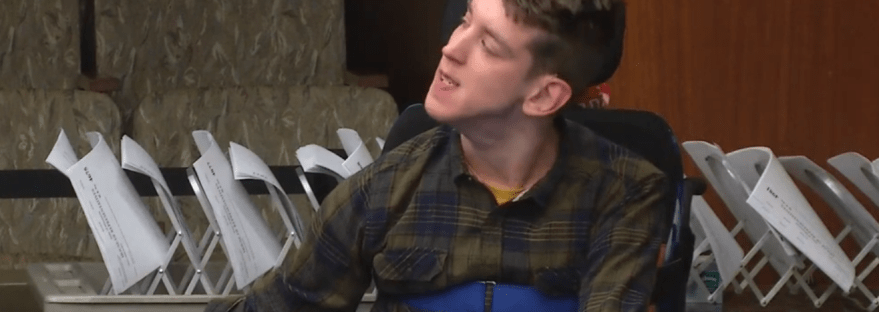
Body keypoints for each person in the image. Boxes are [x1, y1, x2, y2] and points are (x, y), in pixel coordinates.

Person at [206, 0, 669, 311]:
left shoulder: (625, 191)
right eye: (465, 21)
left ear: (544, 96)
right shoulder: (383, 189)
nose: (450, 49)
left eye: (488, 45)